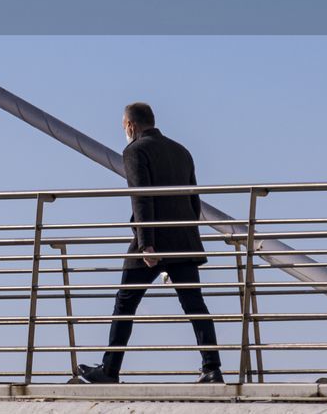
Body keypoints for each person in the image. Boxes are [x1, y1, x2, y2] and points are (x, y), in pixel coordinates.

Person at [78, 102, 223, 384]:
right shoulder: (182, 151)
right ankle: (212, 367)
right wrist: (188, 237)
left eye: (124, 126)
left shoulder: (134, 151)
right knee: (194, 303)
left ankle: (109, 371)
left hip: (152, 240)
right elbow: (194, 202)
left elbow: (142, 196)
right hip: (183, 239)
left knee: (125, 303)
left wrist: (146, 244)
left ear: (131, 126)